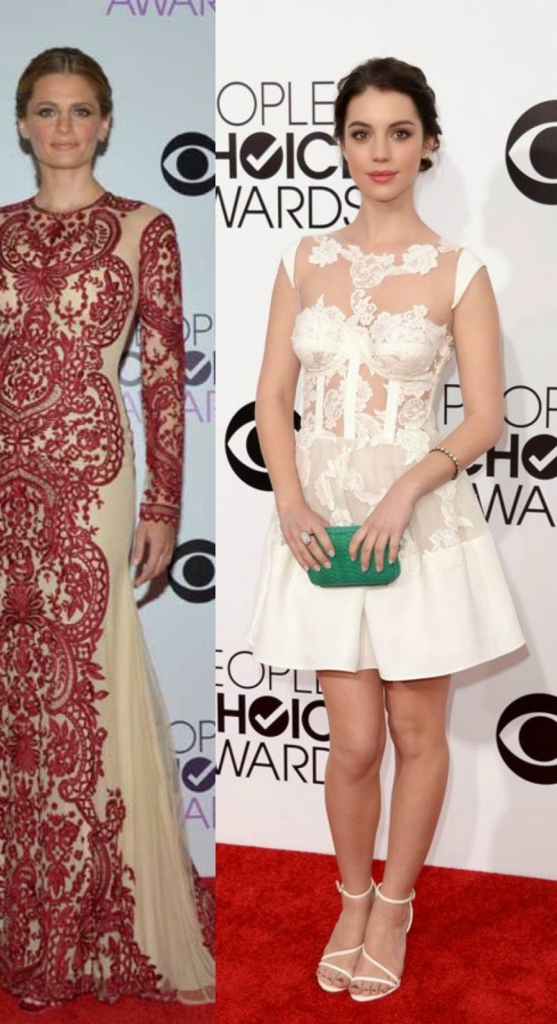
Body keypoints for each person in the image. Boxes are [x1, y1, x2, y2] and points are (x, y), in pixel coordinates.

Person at [0, 46, 214, 1011]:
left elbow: (163, 374)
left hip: (89, 474)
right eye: (47, 110)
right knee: (5, 693)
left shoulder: (148, 228)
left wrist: (163, 504)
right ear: (22, 123)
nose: (65, 127)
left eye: (81, 110)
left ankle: (88, 921)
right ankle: (19, 917)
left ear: (107, 122)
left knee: (84, 686)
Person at [249, 57, 524, 1002]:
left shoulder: (460, 271)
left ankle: (395, 909)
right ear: (340, 145)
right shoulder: (303, 259)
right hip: (322, 526)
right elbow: (273, 395)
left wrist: (408, 489)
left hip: (416, 526)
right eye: (362, 133)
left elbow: (483, 418)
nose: (381, 151)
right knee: (355, 741)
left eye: (400, 132)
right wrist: (290, 498)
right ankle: (352, 899)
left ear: (429, 145)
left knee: (415, 728)